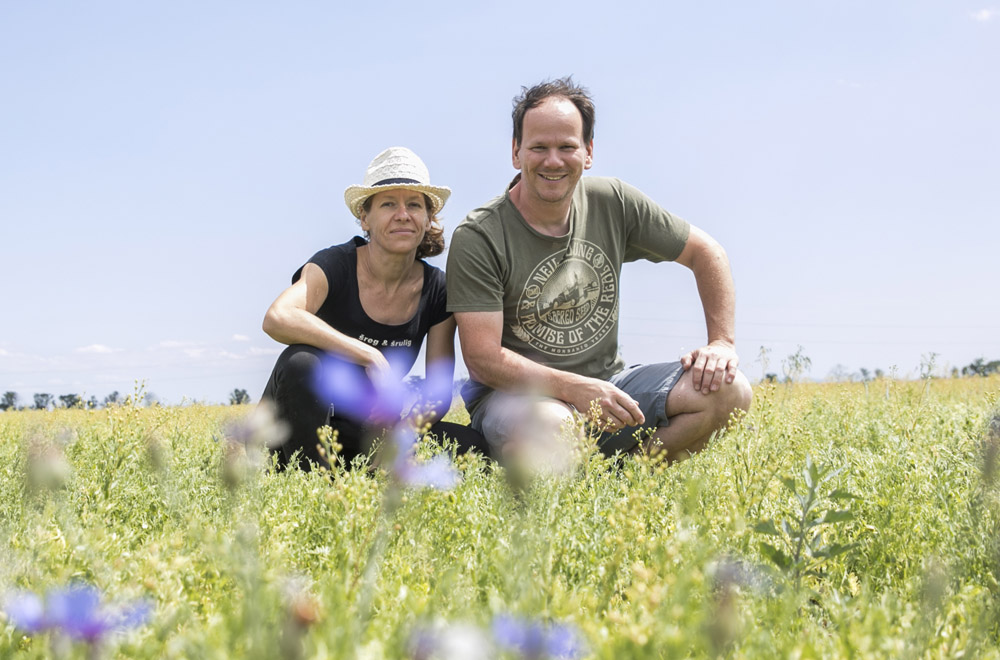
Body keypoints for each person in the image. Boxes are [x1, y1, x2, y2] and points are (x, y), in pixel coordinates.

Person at [446, 78, 753, 462]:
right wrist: (574, 389)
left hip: (607, 385)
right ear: (515, 152)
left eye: (567, 147)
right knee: (555, 428)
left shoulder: (614, 202)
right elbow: (483, 359)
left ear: (588, 152)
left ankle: (626, 482)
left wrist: (721, 343)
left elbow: (707, 253)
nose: (553, 160)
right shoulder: (480, 235)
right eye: (538, 147)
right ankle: (546, 473)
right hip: (516, 399)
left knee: (732, 391)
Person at [261, 146, 486, 471]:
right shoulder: (334, 265)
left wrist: (401, 439)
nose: (403, 214)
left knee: (473, 447)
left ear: (427, 218)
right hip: (302, 424)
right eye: (388, 204)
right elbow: (278, 318)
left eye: (414, 205)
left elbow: (436, 394)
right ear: (364, 218)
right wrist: (371, 356)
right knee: (301, 363)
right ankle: (311, 485)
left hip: (368, 429)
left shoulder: (438, 288)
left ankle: (364, 477)